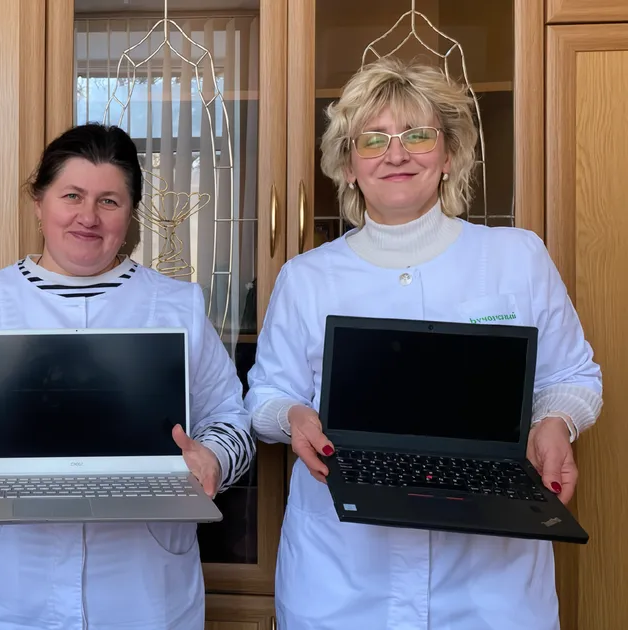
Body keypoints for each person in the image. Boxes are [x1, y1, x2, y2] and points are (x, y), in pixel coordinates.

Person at [246, 56, 603, 630]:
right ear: (347, 165)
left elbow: (573, 377)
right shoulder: (306, 277)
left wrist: (556, 421)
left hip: (492, 581)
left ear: (449, 153)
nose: (396, 154)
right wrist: (292, 417)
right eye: (373, 140)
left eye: (417, 135)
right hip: (342, 575)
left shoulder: (517, 256)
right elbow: (265, 395)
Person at [0, 123, 254, 630]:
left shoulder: (175, 304)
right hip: (8, 589)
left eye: (109, 201)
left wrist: (213, 458)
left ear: (130, 213)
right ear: (39, 201)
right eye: (72, 196)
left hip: (144, 591)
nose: (88, 217)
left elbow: (231, 420)